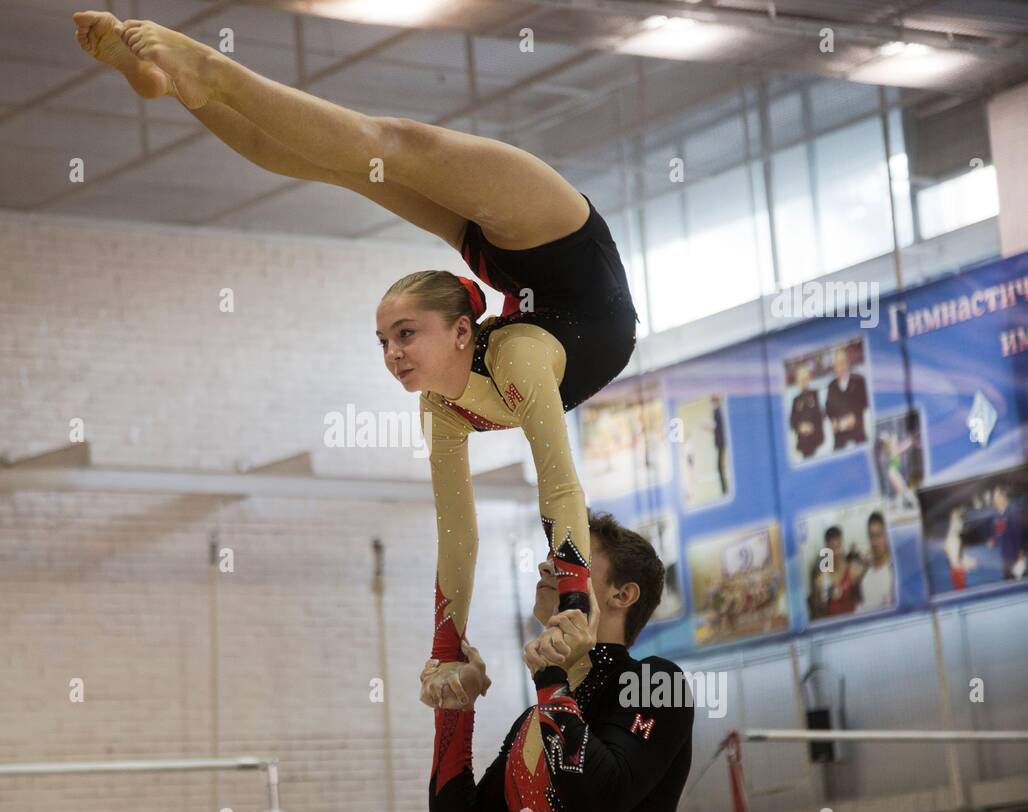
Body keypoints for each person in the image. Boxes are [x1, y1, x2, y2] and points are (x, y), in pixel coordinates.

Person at [72, 11, 640, 703]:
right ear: (463, 332)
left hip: (511, 271)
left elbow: (455, 532)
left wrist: (445, 647)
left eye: (400, 336)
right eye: (391, 338)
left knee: (345, 168)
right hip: (563, 243)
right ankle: (208, 69)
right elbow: (560, 487)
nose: (393, 354)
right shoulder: (518, 359)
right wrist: (577, 604)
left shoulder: (447, 405)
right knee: (389, 145)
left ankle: (184, 90)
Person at [426, 512, 694, 812]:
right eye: (552, 557)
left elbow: (595, 805)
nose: (545, 566)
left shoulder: (657, 683)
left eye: (573, 560)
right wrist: (455, 708)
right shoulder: (535, 721)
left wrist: (553, 679)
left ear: (622, 594)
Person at [824, 347, 868, 449]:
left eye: (843, 362)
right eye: (838, 364)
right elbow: (828, 409)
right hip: (840, 438)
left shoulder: (859, 381)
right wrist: (833, 420)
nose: (841, 367)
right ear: (834, 368)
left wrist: (855, 416)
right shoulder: (831, 386)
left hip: (858, 434)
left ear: (848, 363)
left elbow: (865, 403)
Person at [856, 512, 895, 612]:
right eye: (871, 536)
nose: (875, 542)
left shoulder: (895, 572)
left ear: (887, 536)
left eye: (879, 535)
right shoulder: (865, 572)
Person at [986, 484, 1025, 581]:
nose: (995, 501)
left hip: (1016, 554)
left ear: (1003, 497)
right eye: (994, 498)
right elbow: (997, 531)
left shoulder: (1013, 511)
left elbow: (1019, 532)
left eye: (997, 497)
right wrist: (993, 540)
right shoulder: (996, 514)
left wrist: (1020, 551)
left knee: (1019, 578)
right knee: (1008, 578)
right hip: (1005, 555)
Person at [789, 363, 824, 461]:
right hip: (803, 443)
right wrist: (800, 427)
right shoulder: (795, 400)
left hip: (817, 440)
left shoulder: (816, 393)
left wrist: (811, 426)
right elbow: (792, 421)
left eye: (805, 378)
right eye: (800, 379)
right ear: (797, 382)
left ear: (809, 379)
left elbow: (821, 416)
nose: (803, 382)